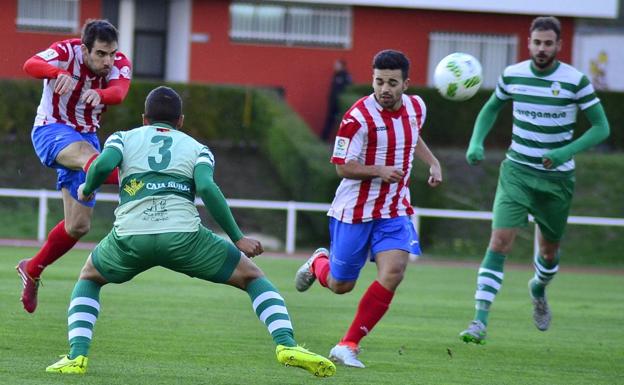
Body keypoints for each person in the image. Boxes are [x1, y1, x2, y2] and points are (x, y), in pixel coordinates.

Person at [44, 86, 336, 377]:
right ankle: (286, 344)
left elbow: (102, 164)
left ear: (144, 118)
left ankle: (77, 356)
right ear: (181, 121)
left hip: (131, 236)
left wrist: (87, 188)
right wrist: (237, 237)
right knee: (252, 277)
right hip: (184, 237)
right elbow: (208, 188)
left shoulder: (123, 137)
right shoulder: (197, 149)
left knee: (90, 277)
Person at [459, 16, 610, 344]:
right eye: (537, 42)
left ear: (559, 45)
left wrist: (563, 152)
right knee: (499, 241)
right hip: (517, 172)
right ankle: (479, 321)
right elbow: (490, 109)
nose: (542, 49)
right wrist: (476, 142)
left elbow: (602, 127)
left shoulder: (575, 81)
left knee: (549, 253)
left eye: (548, 43)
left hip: (556, 181)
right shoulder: (512, 75)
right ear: (529, 43)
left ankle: (538, 288)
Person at [294, 50, 442, 368]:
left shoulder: (418, 107)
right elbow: (342, 167)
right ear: (372, 79)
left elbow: (412, 137)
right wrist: (379, 170)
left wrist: (433, 163)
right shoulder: (356, 118)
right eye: (379, 81)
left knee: (394, 273)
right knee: (340, 285)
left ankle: (348, 344)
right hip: (354, 211)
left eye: (392, 82)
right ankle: (319, 262)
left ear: (406, 83)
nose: (384, 88)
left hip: (394, 209)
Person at [16, 19, 132, 313]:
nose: (108, 61)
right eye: (101, 54)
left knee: (78, 226)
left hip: (87, 136)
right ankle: (136, 178)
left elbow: (118, 93)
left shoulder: (118, 62)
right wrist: (56, 73)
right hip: (51, 130)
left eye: (111, 53)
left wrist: (102, 94)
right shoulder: (65, 52)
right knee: (92, 158)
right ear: (85, 49)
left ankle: (32, 268)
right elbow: (30, 64)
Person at [320, 59, 352, 142]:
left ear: (342, 66)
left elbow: (348, 89)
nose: (335, 66)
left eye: (337, 65)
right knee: (329, 121)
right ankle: (324, 139)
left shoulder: (345, 76)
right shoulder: (336, 75)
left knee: (341, 123)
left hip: (339, 105)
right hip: (333, 103)